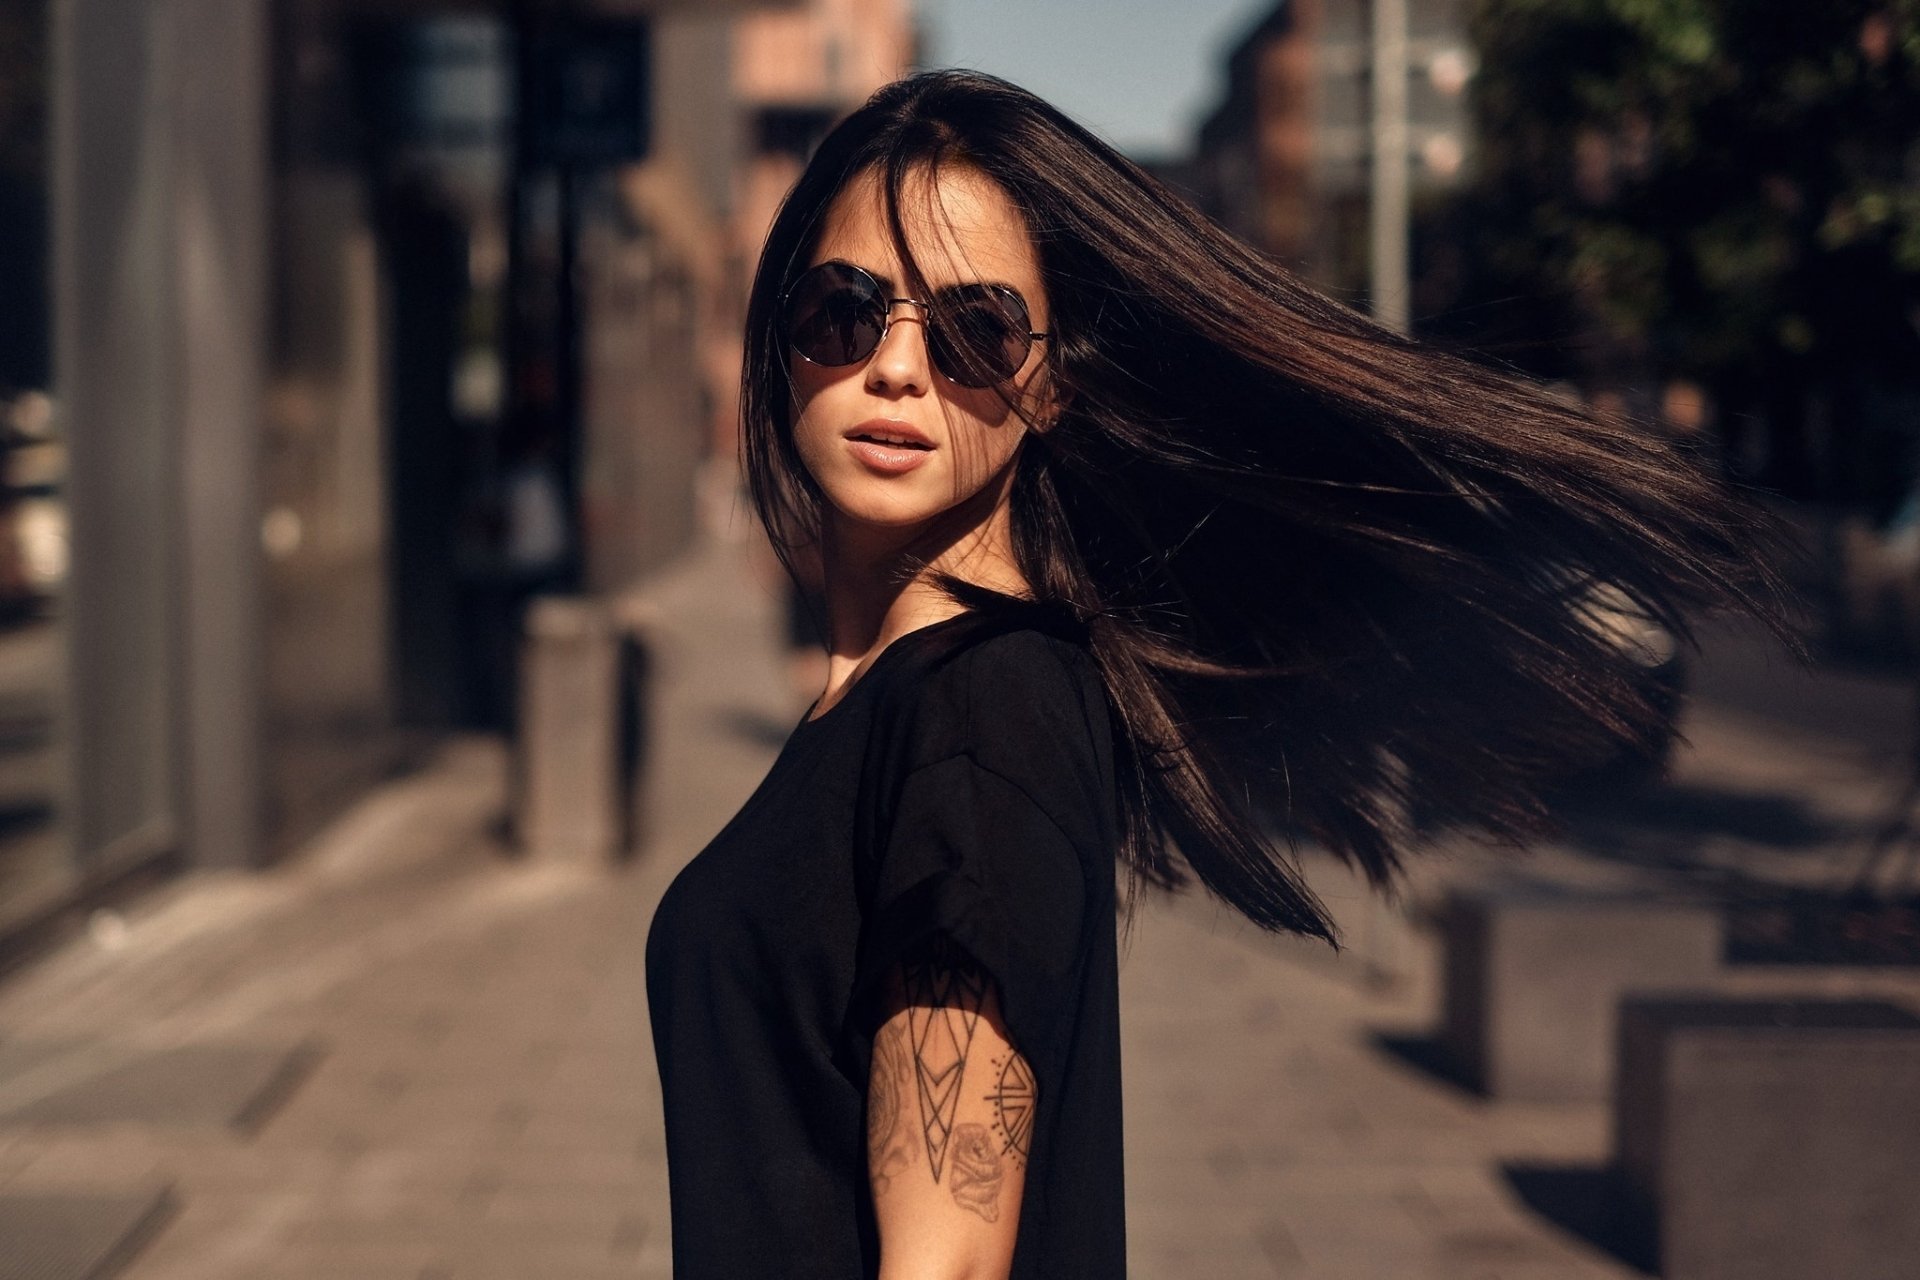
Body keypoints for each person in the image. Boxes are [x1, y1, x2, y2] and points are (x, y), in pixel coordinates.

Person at [643, 70, 1791, 1280]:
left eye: (976, 329)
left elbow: (950, 1262)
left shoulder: (980, 710)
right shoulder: (895, 692)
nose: (898, 368)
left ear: (1052, 383)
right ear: (782, 333)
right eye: (847, 309)